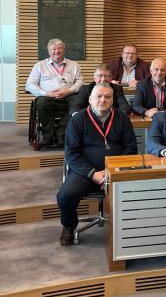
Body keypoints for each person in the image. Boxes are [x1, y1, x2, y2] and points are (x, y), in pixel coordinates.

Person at [57, 82, 137, 246]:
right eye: (98, 97)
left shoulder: (122, 118)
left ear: (113, 100)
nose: (103, 100)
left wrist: (112, 172)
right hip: (85, 173)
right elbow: (71, 154)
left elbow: (131, 148)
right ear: (90, 99)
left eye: (107, 97)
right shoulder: (78, 119)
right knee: (65, 195)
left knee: (139, 191)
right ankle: (69, 225)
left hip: (116, 172)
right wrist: (93, 174)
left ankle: (130, 229)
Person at [25, 38, 84, 146]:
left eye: (59, 48)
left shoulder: (74, 65)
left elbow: (80, 82)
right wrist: (45, 93)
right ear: (49, 51)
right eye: (54, 49)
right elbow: (29, 85)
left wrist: (69, 90)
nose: (57, 51)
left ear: (64, 50)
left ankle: (61, 134)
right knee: (41, 103)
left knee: (79, 103)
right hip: (48, 98)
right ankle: (48, 135)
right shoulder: (40, 66)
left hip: (69, 96)